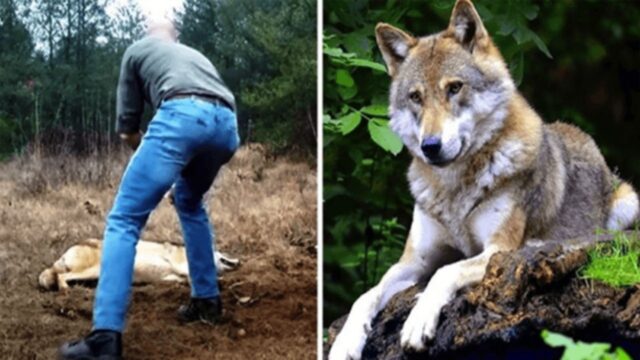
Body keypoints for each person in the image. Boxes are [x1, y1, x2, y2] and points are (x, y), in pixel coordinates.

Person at [59, 18, 239, 360]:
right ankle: (206, 300)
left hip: (183, 116)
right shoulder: (192, 54)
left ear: (148, 35)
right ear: (176, 37)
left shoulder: (137, 51)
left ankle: (104, 338)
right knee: (188, 200)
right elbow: (211, 107)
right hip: (227, 126)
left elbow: (127, 129)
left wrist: (156, 162)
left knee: (124, 220)